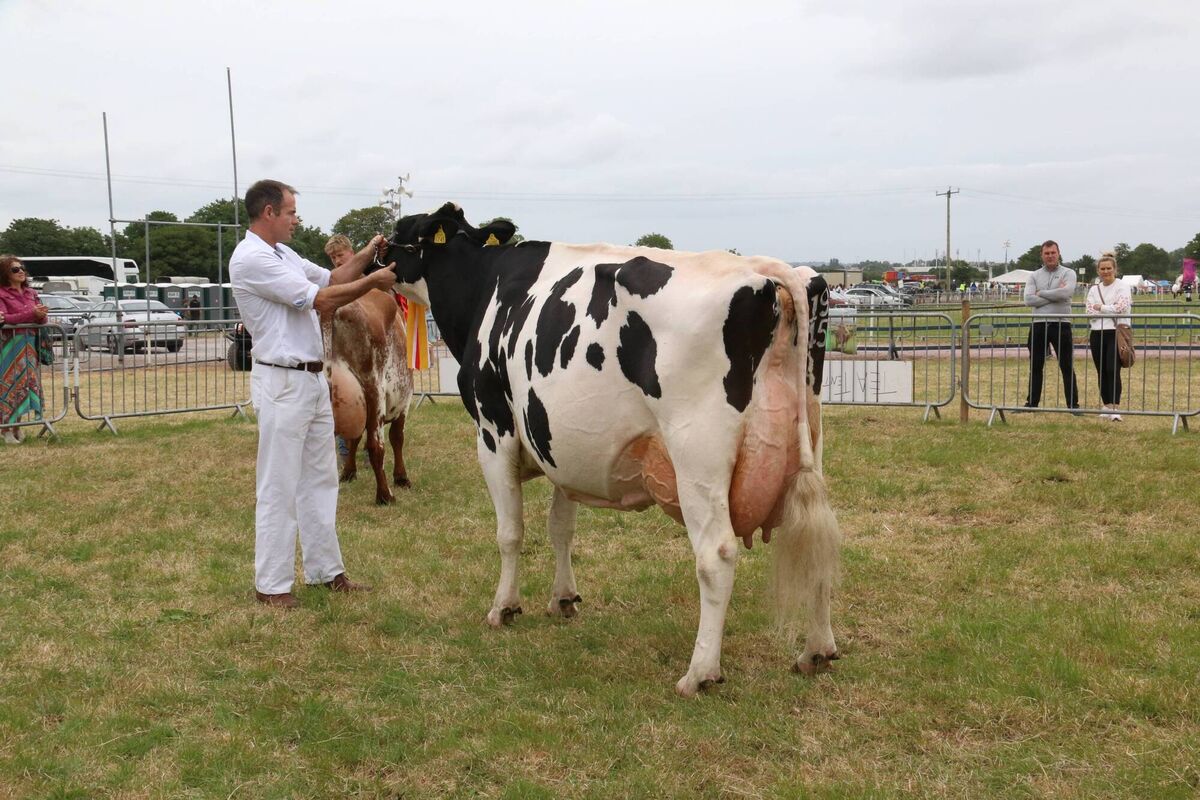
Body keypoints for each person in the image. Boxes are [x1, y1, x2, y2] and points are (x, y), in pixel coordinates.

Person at [230, 180, 398, 609]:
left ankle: (326, 570)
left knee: (320, 478)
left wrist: (368, 252)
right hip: (282, 381)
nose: (296, 219)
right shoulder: (251, 258)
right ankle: (272, 585)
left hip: (310, 378)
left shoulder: (283, 254)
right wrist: (375, 280)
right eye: (290, 212)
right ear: (268, 212)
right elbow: (321, 300)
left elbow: (334, 277)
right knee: (279, 484)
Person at [1023, 240, 1079, 409]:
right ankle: (1032, 403)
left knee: (1066, 365)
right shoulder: (1034, 275)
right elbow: (1028, 299)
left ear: (1058, 253)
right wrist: (1056, 295)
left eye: (1053, 252)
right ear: (1042, 255)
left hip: (1061, 324)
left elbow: (1066, 293)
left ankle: (1073, 405)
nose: (1050, 256)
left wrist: (1041, 293)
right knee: (1036, 366)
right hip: (1039, 324)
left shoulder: (1069, 273)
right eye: (1046, 253)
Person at [0, 255, 48, 444]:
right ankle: (5, 430)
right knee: (9, 386)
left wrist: (41, 315)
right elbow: (5, 319)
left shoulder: (31, 292)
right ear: (5, 273)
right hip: (10, 345)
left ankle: (17, 427)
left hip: (30, 344)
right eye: (15, 269)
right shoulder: (1, 293)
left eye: (21, 268)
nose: (21, 271)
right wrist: (31, 314)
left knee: (25, 386)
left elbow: (41, 319)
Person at [1085, 252, 1132, 421]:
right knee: (1101, 371)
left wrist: (1101, 307)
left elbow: (1122, 307)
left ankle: (1115, 407)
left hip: (1116, 333)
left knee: (1112, 369)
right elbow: (1089, 311)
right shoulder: (1093, 289)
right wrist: (1106, 308)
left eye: (1108, 268)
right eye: (1102, 269)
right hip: (1097, 332)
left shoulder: (1122, 286)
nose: (1106, 271)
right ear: (1098, 271)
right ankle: (1106, 405)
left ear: (1115, 269)